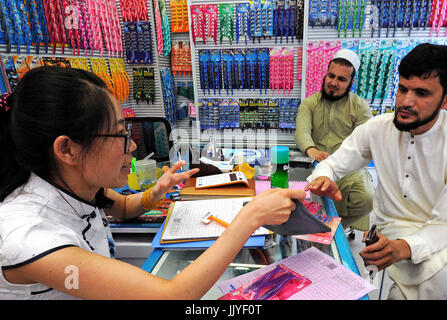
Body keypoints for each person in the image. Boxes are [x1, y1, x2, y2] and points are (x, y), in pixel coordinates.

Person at [0, 66, 305, 300]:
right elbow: (172, 295)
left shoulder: (73, 185)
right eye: (120, 135)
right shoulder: (30, 235)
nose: (132, 146)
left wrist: (157, 190)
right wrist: (250, 216)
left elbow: (122, 207)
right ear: (67, 149)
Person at [305, 43, 447, 300]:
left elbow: (443, 224)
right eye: (403, 89)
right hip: (388, 230)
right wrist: (323, 176)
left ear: (445, 99)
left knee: (436, 279)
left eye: (422, 93)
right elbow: (333, 163)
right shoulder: (379, 128)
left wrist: (405, 248)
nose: (406, 101)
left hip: (439, 237)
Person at [294, 49, 375, 231]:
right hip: (315, 164)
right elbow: (302, 133)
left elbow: (365, 142)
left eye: (341, 79)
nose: (334, 83)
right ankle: (319, 227)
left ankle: (328, 229)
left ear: (351, 83)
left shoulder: (360, 107)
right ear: (325, 75)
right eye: (331, 76)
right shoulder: (309, 103)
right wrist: (312, 150)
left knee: (367, 198)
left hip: (349, 168)